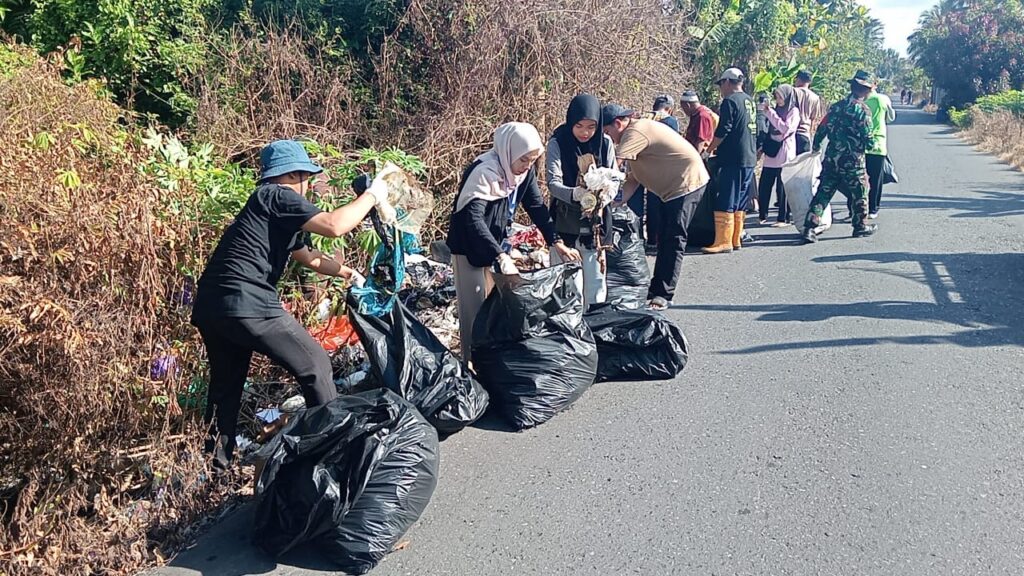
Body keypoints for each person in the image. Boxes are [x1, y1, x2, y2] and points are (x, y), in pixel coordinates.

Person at [191, 139, 388, 470]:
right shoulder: (276, 194)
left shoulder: (268, 207)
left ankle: (214, 468)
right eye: (307, 177)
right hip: (249, 300)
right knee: (315, 365)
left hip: (213, 307)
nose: (309, 184)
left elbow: (307, 257)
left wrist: (344, 271)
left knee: (226, 388)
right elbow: (334, 226)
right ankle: (332, 456)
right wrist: (372, 195)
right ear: (293, 175)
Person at [446, 122, 581, 360]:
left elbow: (536, 207)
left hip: (496, 247)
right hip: (470, 249)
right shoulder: (484, 172)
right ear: (509, 151)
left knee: (494, 311)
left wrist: (556, 241)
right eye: (523, 160)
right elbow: (473, 220)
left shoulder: (521, 174)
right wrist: (500, 255)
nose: (526, 166)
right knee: (474, 313)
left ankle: (490, 365)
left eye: (531, 160)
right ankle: (470, 367)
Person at [602, 103, 710, 311]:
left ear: (618, 123)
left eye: (608, 132)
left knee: (673, 238)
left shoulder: (635, 131)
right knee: (665, 237)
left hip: (686, 183)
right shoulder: (636, 135)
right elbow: (632, 180)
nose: (609, 137)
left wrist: (599, 185)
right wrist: (612, 203)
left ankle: (663, 294)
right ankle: (655, 289)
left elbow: (615, 167)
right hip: (670, 190)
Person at [546, 94, 617, 306]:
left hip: (596, 225)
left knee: (595, 285)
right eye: (579, 126)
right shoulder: (558, 142)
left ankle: (594, 332)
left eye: (591, 127)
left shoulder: (605, 143)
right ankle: (569, 333)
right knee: (568, 287)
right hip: (565, 221)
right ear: (570, 122)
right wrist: (576, 194)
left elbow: (614, 177)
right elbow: (553, 182)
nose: (585, 133)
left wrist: (606, 195)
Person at [801, 70, 878, 244]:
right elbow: (868, 137)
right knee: (860, 192)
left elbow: (822, 128)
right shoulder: (862, 110)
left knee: (824, 192)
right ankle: (860, 225)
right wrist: (870, 146)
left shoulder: (836, 107)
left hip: (832, 159)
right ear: (865, 90)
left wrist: (816, 145)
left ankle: (810, 228)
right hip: (853, 161)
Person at [704, 67, 757, 254]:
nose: (721, 88)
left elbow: (723, 129)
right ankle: (736, 239)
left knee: (727, 198)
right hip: (749, 158)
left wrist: (709, 149)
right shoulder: (750, 101)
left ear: (727, 82)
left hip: (733, 158)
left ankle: (723, 241)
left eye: (721, 84)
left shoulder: (730, 102)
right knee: (740, 200)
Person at [757, 84, 801, 226]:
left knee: (782, 187)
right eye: (776, 96)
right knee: (764, 185)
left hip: (784, 152)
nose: (778, 99)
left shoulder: (793, 111)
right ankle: (762, 214)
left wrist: (770, 113)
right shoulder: (775, 110)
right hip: (771, 150)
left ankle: (783, 218)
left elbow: (785, 128)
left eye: (780, 96)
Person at [864, 86, 896, 218]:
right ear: (874, 85)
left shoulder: (856, 100)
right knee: (876, 178)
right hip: (878, 145)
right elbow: (891, 118)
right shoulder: (883, 99)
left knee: (857, 178)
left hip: (860, 145)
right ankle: (873, 208)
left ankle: (855, 207)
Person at [679, 90, 716, 155]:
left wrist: (695, 158)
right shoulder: (695, 115)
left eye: (683, 108)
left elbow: (700, 141)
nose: (684, 111)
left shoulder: (702, 116)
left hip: (700, 157)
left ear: (688, 105)